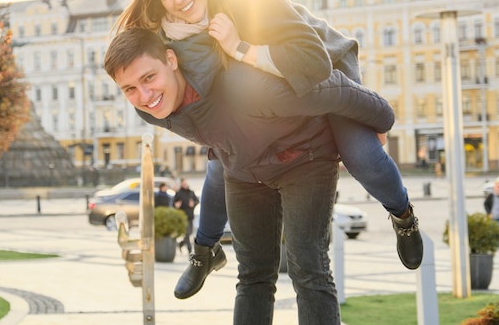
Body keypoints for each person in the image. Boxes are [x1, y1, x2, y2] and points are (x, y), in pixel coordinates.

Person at [114, 0, 423, 300]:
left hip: (323, 74)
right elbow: (159, 73)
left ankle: (403, 217)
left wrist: (239, 48)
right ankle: (204, 252)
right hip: (269, 104)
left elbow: (313, 63)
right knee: (222, 162)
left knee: (361, 155)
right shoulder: (172, 36)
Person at [105, 27, 396, 325]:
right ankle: (204, 252)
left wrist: (381, 119)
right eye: (129, 89)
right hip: (244, 169)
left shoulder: (239, 82)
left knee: (308, 267)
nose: (144, 95)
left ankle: (403, 216)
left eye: (149, 78)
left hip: (303, 157)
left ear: (171, 59)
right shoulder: (150, 109)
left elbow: (332, 90)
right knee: (253, 274)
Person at [173, 178, 199, 253]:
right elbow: (174, 203)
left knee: (190, 232)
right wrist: (177, 205)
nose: (185, 185)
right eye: (183, 183)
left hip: (190, 215)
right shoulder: (179, 193)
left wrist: (193, 203)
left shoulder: (191, 192)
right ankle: (189, 249)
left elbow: (197, 201)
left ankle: (181, 244)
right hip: (183, 216)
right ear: (181, 184)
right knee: (187, 233)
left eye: (186, 183)